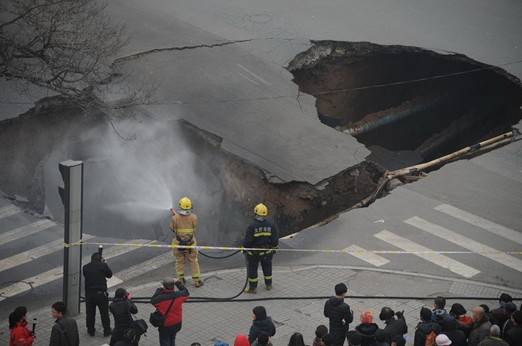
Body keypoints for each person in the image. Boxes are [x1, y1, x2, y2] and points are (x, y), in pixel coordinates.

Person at [243, 203, 279, 293]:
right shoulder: (271, 225)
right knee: (267, 268)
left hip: (254, 253)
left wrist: (244, 248)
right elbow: (275, 239)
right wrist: (274, 248)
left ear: (255, 213)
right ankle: (268, 285)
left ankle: (252, 288)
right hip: (267, 252)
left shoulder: (252, 226)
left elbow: (248, 241)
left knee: (253, 270)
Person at [170, 197, 203, 287]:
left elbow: (173, 229)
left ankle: (180, 280)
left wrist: (174, 216)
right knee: (193, 261)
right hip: (191, 243)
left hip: (178, 244)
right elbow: (193, 229)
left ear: (180, 206)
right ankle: (197, 281)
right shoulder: (194, 217)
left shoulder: (174, 218)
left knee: (179, 261)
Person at [150, 278, 190, 346]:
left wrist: (160, 289)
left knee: (165, 341)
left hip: (166, 325)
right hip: (177, 323)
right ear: (173, 286)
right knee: (172, 338)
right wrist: (177, 282)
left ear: (164, 286)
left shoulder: (160, 299)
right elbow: (186, 292)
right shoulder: (179, 295)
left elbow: (153, 300)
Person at [82, 251, 112, 336]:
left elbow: (86, 275)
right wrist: (104, 263)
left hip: (89, 295)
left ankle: (91, 331)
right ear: (100, 260)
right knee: (104, 314)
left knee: (90, 314)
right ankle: (107, 331)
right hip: (101, 294)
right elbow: (109, 275)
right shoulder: (103, 265)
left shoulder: (85, 267)